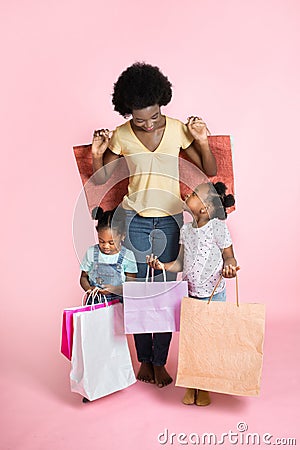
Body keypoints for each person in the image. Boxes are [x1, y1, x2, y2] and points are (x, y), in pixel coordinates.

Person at [90, 62, 217, 388]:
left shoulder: (177, 129)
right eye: (138, 119)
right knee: (136, 293)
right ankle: (143, 359)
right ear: (127, 112)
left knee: (165, 294)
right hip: (132, 220)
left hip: (171, 221)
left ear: (163, 105)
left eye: (154, 117)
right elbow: (102, 180)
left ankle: (159, 361)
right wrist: (97, 153)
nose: (147, 125)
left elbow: (208, 169)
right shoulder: (120, 135)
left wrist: (202, 140)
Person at [147, 181, 239, 405]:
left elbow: (229, 256)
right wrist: (162, 266)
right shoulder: (185, 230)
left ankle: (204, 385)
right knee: (191, 342)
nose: (188, 193)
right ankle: (191, 383)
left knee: (208, 342)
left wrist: (230, 267)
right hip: (191, 295)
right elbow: (180, 263)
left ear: (205, 207)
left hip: (213, 295)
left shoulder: (218, 227)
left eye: (196, 193)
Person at [80, 207, 138, 304]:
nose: (106, 246)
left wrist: (115, 289)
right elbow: (83, 277)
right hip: (94, 302)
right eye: (101, 241)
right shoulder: (91, 252)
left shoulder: (128, 256)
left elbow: (131, 286)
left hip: (119, 303)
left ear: (122, 236)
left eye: (111, 242)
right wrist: (89, 289)